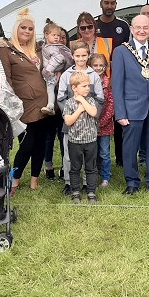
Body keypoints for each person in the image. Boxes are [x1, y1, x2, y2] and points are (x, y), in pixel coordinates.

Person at [111, 14, 149, 194]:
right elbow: (117, 85)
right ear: (131, 29)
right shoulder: (121, 51)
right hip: (131, 108)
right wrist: (120, 113)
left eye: (145, 27)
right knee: (130, 147)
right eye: (138, 27)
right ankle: (132, 182)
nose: (141, 31)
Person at [0, 9, 49, 193]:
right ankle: (15, 178)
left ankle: (35, 179)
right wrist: (10, 103)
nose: (27, 31)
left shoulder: (39, 49)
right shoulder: (6, 49)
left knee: (41, 142)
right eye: (23, 28)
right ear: (16, 29)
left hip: (43, 103)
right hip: (23, 105)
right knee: (27, 144)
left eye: (31, 28)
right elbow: (6, 79)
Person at [57, 41, 104, 195]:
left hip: (89, 123)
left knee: (89, 156)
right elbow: (60, 98)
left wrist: (92, 113)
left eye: (84, 55)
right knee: (70, 156)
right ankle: (69, 183)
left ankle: (86, 183)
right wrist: (70, 114)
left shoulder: (94, 76)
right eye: (78, 56)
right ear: (73, 56)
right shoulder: (66, 75)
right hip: (71, 123)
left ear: (88, 56)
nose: (81, 59)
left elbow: (100, 98)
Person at [95, 0, 130, 169]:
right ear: (100, 3)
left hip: (118, 79)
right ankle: (100, 159)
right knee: (101, 116)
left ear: (116, 4)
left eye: (112, 3)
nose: (109, 6)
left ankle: (121, 159)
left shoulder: (123, 26)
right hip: (98, 80)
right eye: (106, 2)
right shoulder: (93, 25)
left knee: (119, 116)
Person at [62, 71, 99, 203]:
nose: (87, 88)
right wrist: (79, 110)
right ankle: (75, 191)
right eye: (84, 86)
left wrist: (83, 100)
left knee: (91, 167)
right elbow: (68, 121)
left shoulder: (90, 100)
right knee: (75, 167)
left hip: (91, 141)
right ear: (74, 88)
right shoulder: (69, 103)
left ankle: (91, 191)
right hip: (75, 142)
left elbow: (93, 112)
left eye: (88, 86)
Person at [44, 25, 70, 180]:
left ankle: (63, 166)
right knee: (49, 136)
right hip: (49, 97)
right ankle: (48, 165)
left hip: (64, 98)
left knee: (63, 134)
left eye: (62, 37)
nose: (59, 39)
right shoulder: (46, 50)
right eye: (56, 36)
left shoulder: (67, 52)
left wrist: (61, 71)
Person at [40, 19, 73, 116]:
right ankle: (51, 106)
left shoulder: (54, 47)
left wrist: (49, 69)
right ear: (46, 35)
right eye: (54, 35)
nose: (57, 38)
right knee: (51, 90)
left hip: (51, 73)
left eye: (58, 36)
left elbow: (59, 58)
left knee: (55, 90)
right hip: (52, 73)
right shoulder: (45, 46)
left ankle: (55, 107)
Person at [90, 53, 114, 187]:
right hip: (89, 124)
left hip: (104, 124)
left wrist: (103, 121)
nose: (98, 68)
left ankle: (105, 177)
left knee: (104, 152)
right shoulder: (87, 81)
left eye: (101, 65)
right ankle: (93, 174)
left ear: (105, 67)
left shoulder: (108, 82)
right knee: (91, 152)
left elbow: (111, 104)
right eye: (95, 65)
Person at [75, 11, 112, 76]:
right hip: (81, 83)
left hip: (104, 83)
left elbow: (114, 66)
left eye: (90, 27)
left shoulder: (108, 42)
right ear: (78, 30)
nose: (86, 30)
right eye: (83, 28)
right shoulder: (73, 45)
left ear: (95, 27)